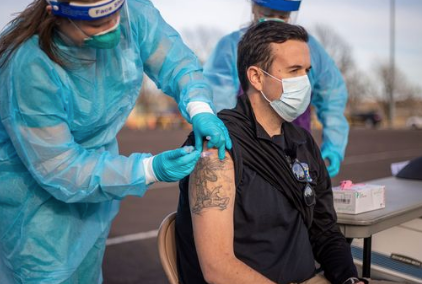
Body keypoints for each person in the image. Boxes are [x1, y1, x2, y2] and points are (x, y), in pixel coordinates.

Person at [0, 0, 231, 283]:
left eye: (114, 16)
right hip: (35, 208)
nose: (112, 28)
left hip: (95, 189)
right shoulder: (28, 66)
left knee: (88, 271)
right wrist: (149, 169)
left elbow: (177, 63)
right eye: (97, 24)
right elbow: (59, 167)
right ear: (56, 15)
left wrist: (200, 109)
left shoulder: (131, 13)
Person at [176, 21, 366, 284]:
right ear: (256, 77)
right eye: (294, 70)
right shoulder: (219, 146)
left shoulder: (303, 144)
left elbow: (325, 231)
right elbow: (217, 268)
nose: (305, 81)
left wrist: (349, 279)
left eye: (307, 71)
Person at [203, 0, 349, 177]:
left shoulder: (308, 48)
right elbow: (218, 100)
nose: (275, 21)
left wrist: (334, 145)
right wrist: (224, 140)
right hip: (246, 147)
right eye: (268, 14)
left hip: (296, 147)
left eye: (282, 16)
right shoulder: (231, 47)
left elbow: (332, 94)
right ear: (254, 8)